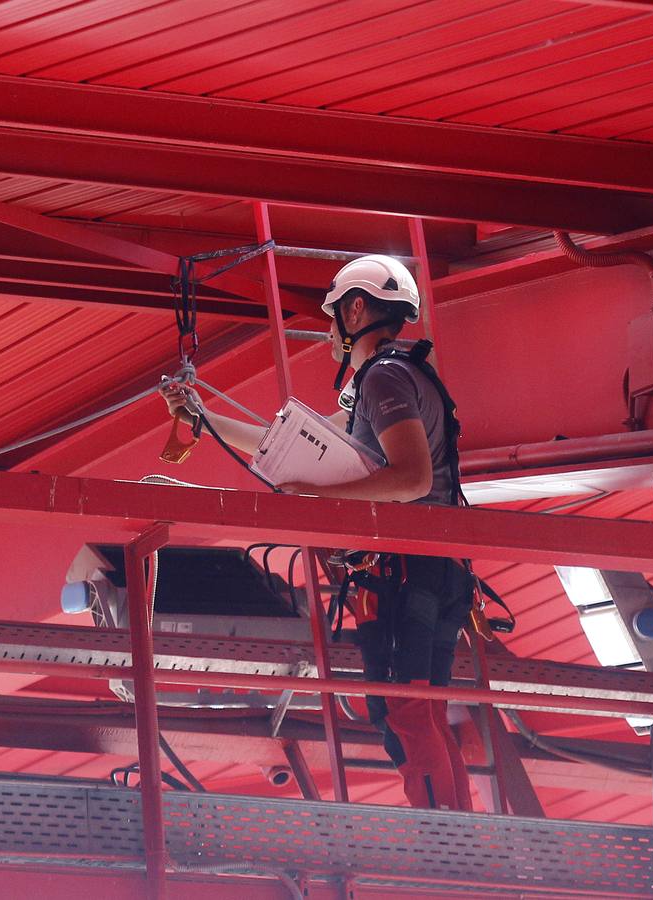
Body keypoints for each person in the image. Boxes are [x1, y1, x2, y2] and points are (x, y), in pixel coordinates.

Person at [161, 254, 474, 810]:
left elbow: (411, 477)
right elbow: (278, 446)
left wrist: (320, 498)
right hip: (437, 572)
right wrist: (202, 418)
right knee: (419, 709)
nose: (330, 331)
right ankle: (458, 831)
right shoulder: (391, 380)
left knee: (402, 712)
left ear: (356, 310)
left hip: (407, 572)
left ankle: (446, 838)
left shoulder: (382, 377)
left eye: (333, 317)